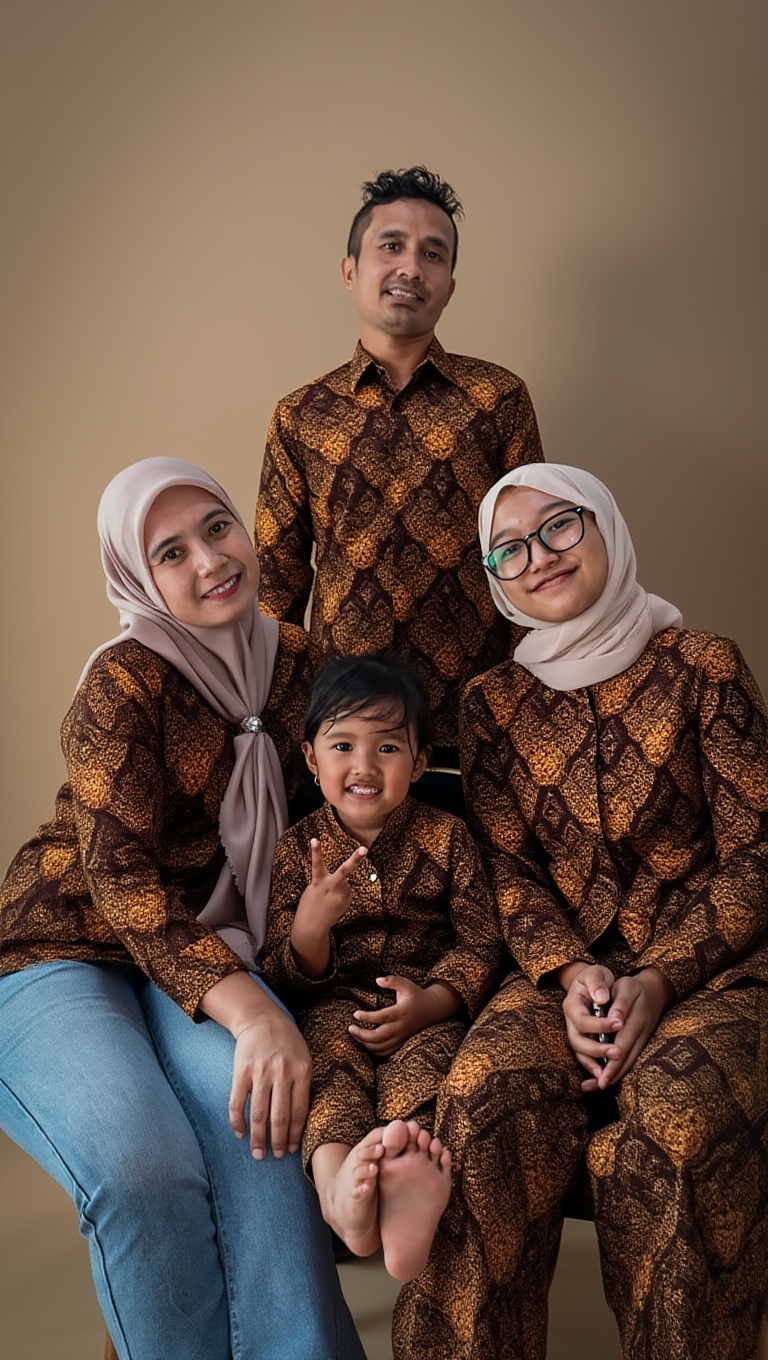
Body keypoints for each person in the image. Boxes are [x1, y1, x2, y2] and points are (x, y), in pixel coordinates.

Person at [393, 464, 768, 1360]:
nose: (540, 557)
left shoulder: (703, 667)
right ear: (496, 578)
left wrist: (658, 978)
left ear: (605, 526)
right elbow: (507, 869)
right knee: (479, 1102)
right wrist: (569, 973)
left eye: (560, 526)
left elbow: (759, 851)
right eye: (510, 549)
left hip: (712, 971)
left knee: (674, 1124)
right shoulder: (492, 704)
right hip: (559, 977)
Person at [0, 457, 364, 1360]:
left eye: (217, 527)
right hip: (61, 948)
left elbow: (343, 809)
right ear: (137, 575)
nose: (209, 560)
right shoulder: (122, 684)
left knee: (265, 1129)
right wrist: (261, 1017)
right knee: (144, 1170)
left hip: (206, 948)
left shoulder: (304, 666)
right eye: (170, 552)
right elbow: (121, 883)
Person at [255, 166, 544, 808]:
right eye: (391, 246)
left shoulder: (498, 400)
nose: (411, 267)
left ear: (449, 285)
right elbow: (276, 587)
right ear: (350, 270)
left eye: (432, 254)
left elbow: (528, 563)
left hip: (473, 737)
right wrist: (282, 734)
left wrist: (525, 715)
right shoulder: (300, 416)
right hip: (343, 742)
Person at [262, 652, 504, 1282]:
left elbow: (482, 942)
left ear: (419, 762)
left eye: (388, 748)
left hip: (423, 1012)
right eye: (343, 745)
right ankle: (340, 1196)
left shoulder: (448, 839)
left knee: (423, 1083)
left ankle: (401, 1195)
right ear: (312, 759)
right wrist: (309, 928)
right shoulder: (297, 850)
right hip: (333, 1016)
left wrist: (431, 1003)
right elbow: (280, 974)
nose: (364, 766)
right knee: (329, 1084)